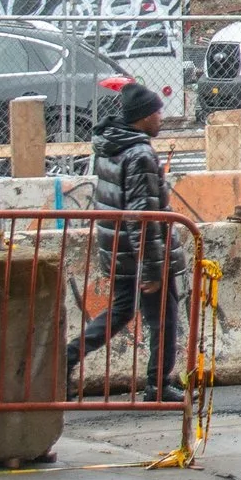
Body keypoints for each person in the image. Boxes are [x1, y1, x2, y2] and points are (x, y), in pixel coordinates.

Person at [70, 81, 184, 400]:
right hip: (143, 254)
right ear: (142, 117)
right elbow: (142, 215)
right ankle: (158, 384)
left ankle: (66, 358)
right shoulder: (140, 154)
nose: (161, 116)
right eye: (156, 111)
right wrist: (151, 269)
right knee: (163, 317)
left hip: (119, 250)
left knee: (120, 312)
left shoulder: (111, 147)